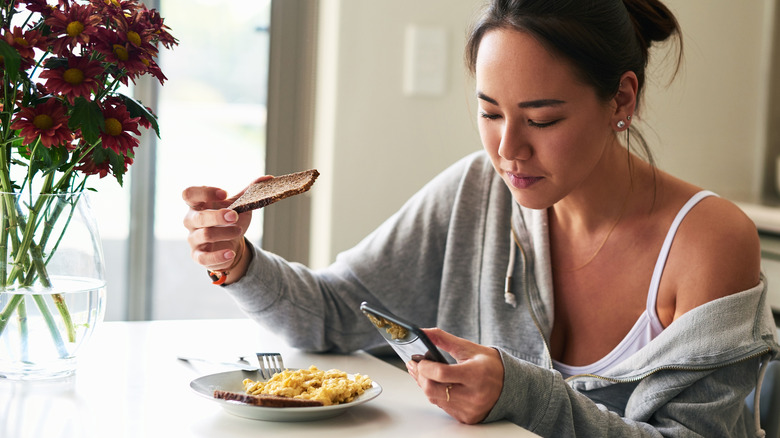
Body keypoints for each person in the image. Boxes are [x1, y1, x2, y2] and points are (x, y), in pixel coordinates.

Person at [182, 0, 779, 435]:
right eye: (490, 113)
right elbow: (332, 317)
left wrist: (520, 393)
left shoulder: (707, 241)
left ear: (621, 99)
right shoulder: (479, 189)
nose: (508, 150)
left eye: (542, 119)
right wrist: (238, 263)